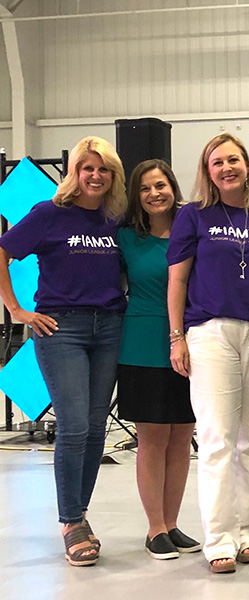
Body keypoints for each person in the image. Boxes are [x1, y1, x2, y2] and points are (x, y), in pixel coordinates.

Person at [0, 136, 127, 566]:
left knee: (94, 428)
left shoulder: (116, 219)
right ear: (74, 172)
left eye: (103, 169)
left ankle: (81, 515)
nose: (95, 175)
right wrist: (17, 309)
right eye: (87, 168)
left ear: (113, 176)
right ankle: (70, 520)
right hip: (62, 329)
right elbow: (3, 249)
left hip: (110, 326)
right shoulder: (49, 214)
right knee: (73, 426)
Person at [167, 133, 249, 574]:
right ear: (207, 171)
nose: (226, 167)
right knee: (216, 438)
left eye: (233, 159)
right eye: (217, 162)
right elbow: (177, 281)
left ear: (247, 164)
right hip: (209, 332)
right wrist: (177, 337)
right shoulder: (193, 216)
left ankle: (248, 530)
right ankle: (218, 538)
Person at [116, 160, 200, 560]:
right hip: (142, 344)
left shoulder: (192, 230)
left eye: (161, 185)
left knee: (182, 436)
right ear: (136, 195)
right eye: (146, 188)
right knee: (153, 438)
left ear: (173, 187)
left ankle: (172, 522)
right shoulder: (125, 238)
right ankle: (154, 529)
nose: (154, 193)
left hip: (190, 345)